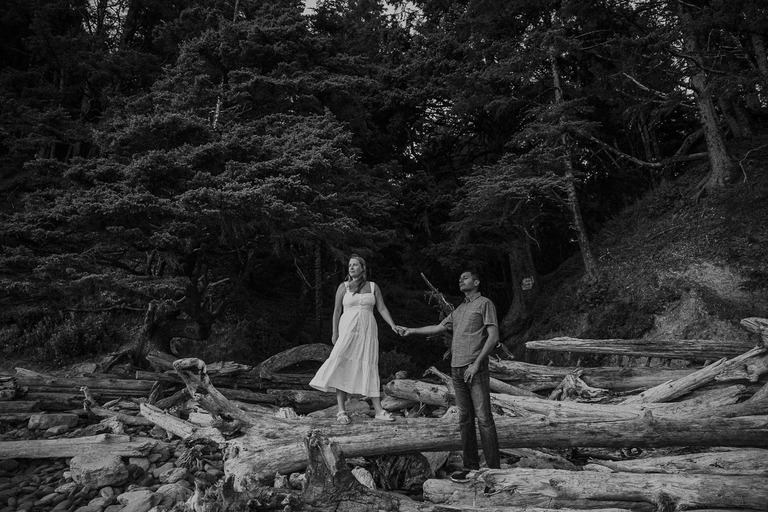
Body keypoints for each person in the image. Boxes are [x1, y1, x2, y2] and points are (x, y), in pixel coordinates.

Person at [400, 270, 500, 482]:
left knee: (484, 418)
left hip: (475, 368)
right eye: (460, 278)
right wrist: (411, 330)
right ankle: (470, 467)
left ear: (476, 281)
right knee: (465, 419)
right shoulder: (459, 310)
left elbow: (493, 337)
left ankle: (494, 471)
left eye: (466, 277)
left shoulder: (484, 303)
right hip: (456, 369)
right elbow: (437, 328)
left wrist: (476, 363)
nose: (461, 280)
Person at [310, 255, 399, 424]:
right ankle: (341, 411)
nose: (351, 267)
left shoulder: (373, 287)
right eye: (350, 265)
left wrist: (392, 325)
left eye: (355, 265)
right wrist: (334, 333)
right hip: (348, 330)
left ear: (363, 268)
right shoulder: (343, 287)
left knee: (369, 364)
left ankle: (378, 410)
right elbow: (337, 311)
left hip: (367, 331)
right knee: (342, 364)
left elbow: (381, 308)